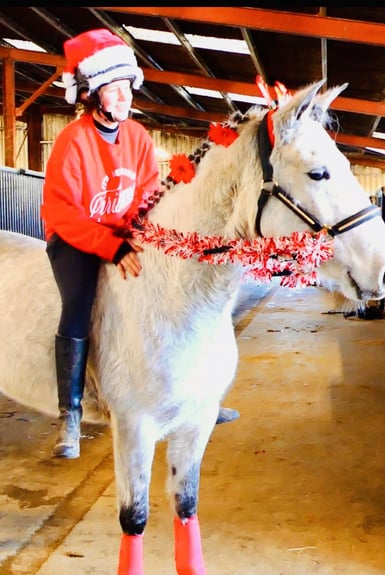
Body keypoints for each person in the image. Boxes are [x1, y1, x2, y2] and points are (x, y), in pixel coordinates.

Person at [41, 28, 239, 460]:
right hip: (75, 237)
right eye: (113, 89)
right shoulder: (72, 142)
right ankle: (69, 411)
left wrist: (138, 237)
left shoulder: (138, 137)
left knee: (170, 287)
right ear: (92, 94)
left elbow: (148, 197)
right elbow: (62, 212)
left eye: (126, 87)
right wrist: (110, 247)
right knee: (78, 304)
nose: (124, 97)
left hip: (125, 233)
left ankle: (194, 395)